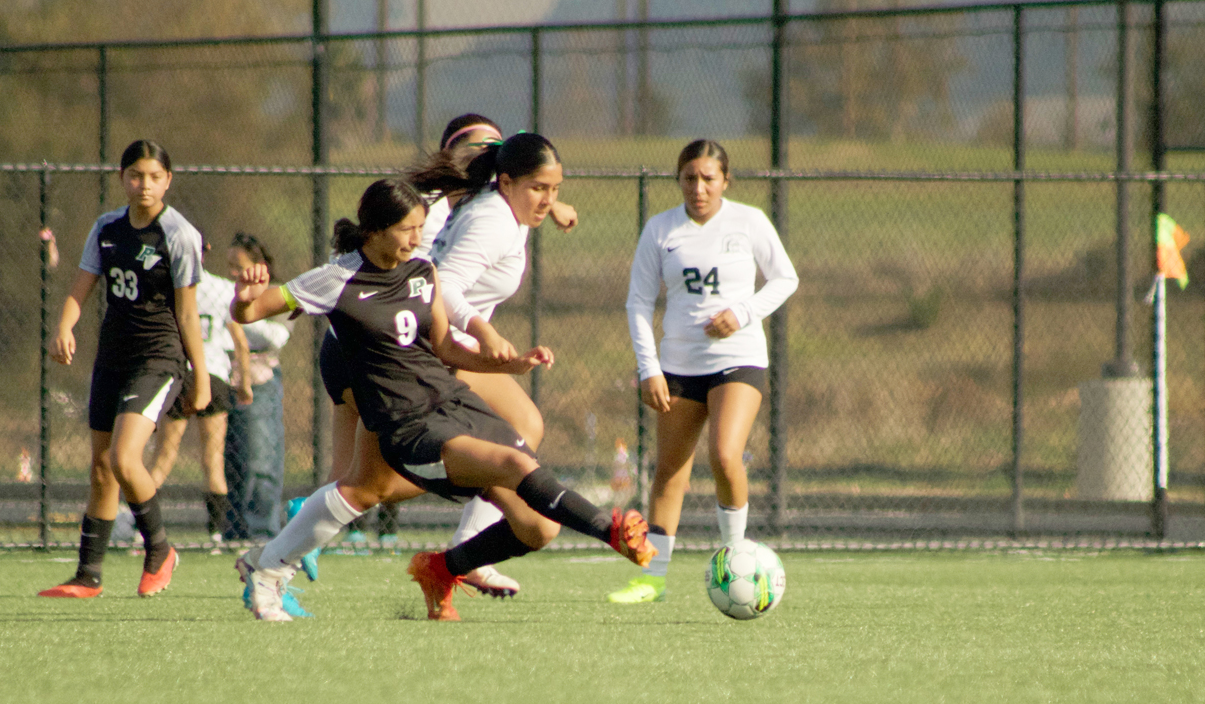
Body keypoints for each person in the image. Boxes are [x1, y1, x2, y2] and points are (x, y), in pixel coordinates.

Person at [231, 178, 655, 622]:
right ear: (375, 230)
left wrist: (508, 366)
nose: (417, 239)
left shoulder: (421, 271)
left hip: (453, 402)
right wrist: (245, 300)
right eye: (407, 229)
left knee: (537, 527)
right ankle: (609, 528)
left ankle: (441, 569)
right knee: (513, 466)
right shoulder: (338, 277)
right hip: (408, 426)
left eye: (420, 227)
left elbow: (445, 349)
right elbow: (252, 311)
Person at [608, 139, 799, 604]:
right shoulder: (660, 229)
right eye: (689, 178)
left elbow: (785, 278)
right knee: (669, 470)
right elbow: (637, 302)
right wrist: (648, 367)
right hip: (677, 366)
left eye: (708, 178)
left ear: (725, 181)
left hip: (738, 359)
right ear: (679, 180)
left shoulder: (748, 221)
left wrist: (743, 312)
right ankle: (651, 580)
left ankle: (737, 557)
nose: (698, 188)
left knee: (724, 455)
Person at [402, 128, 576, 598]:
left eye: (555, 188)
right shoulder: (494, 221)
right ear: (506, 182)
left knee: (521, 428)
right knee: (387, 480)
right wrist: (484, 331)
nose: (546, 198)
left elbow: (519, 178)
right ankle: (308, 522)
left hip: (443, 346)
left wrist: (550, 204)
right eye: (539, 188)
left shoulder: (503, 205)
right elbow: (444, 286)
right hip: (438, 348)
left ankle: (465, 550)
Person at [39, 139, 208, 598]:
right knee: (100, 469)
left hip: (159, 358)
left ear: (167, 181)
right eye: (136, 176)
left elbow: (188, 314)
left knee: (124, 458)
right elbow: (82, 286)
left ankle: (160, 549)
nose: (145, 185)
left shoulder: (178, 234)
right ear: (123, 179)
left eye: (154, 177)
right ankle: (87, 575)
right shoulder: (107, 227)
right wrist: (65, 326)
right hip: (113, 357)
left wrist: (202, 378)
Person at [145, 239, 252, 549]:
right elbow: (241, 343)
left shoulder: (169, 288)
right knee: (213, 459)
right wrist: (243, 383)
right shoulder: (220, 288)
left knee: (164, 456)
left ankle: (141, 527)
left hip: (181, 374)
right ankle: (215, 535)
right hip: (215, 375)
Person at [223, 234, 293, 540]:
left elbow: (276, 337)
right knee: (232, 459)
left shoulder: (279, 294)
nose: (233, 274)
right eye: (229, 266)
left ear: (258, 266)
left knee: (260, 459)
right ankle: (234, 531)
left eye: (238, 266)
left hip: (260, 380)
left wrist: (239, 314)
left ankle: (262, 532)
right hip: (225, 376)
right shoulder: (224, 291)